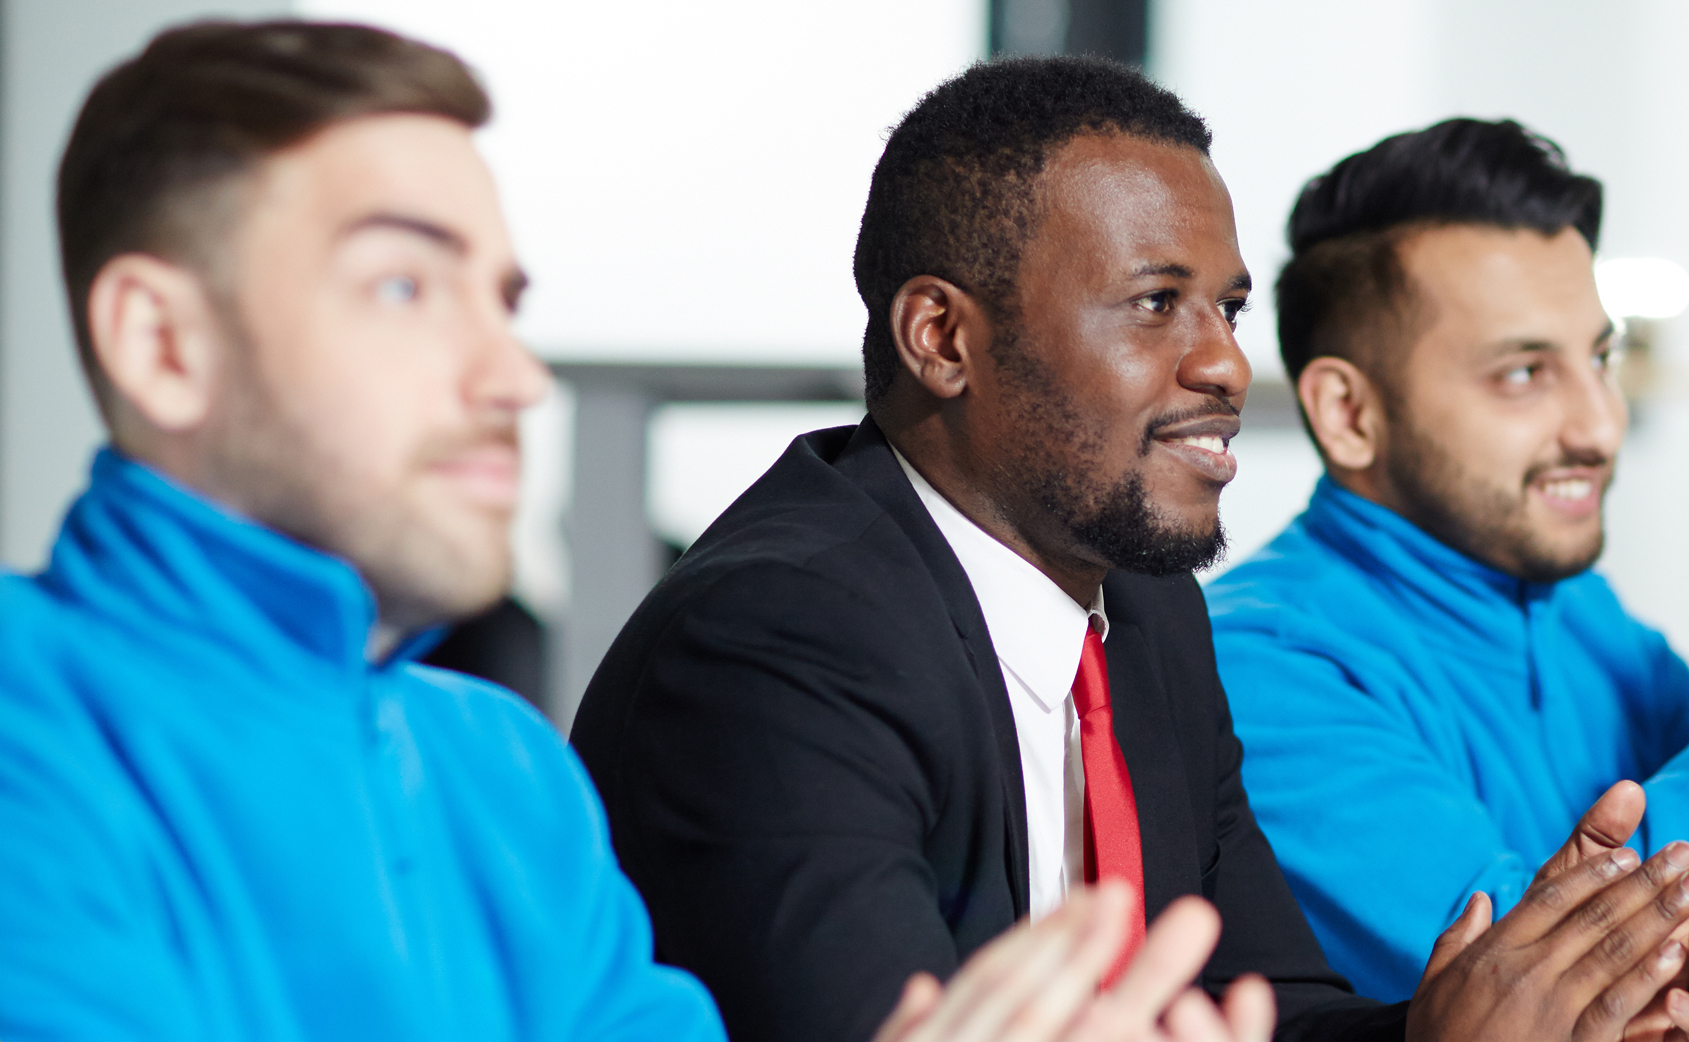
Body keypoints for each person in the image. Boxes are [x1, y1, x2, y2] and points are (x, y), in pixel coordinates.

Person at [0, 21, 1268, 1042]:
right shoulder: (28, 736)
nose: (511, 374)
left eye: (500, 301)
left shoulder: (501, 772)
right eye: (402, 285)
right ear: (163, 345)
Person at [570, 57, 1689, 1042]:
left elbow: (1276, 1009)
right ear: (943, 337)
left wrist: (1515, 1008)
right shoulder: (780, 646)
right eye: (1157, 304)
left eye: (1228, 309)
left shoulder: (1145, 614)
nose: (1222, 365)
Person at [1202, 119, 1689, 1037]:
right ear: (1348, 413)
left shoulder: (1583, 616)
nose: (1600, 422)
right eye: (1523, 372)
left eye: (1600, 358)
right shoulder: (1259, 671)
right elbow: (1535, 987)